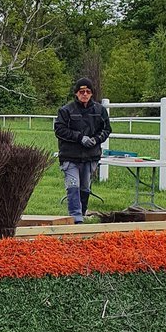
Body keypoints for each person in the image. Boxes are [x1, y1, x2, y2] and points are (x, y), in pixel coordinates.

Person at [53, 77, 111, 224]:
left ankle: (82, 213)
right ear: (76, 93)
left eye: (87, 91)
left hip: (90, 156)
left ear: (91, 93)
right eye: (81, 91)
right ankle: (76, 218)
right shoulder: (66, 110)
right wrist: (80, 138)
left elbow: (106, 129)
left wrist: (96, 140)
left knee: (85, 187)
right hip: (70, 156)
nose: (84, 94)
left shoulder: (100, 110)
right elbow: (59, 130)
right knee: (73, 186)